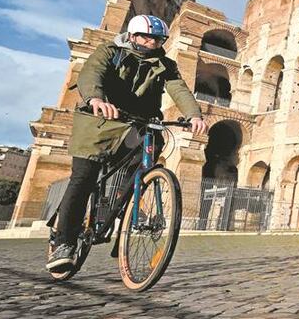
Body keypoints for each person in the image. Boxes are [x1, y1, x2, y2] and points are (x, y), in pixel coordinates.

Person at [46, 15, 207, 271]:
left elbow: (179, 89)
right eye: (146, 37)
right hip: (100, 122)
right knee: (83, 178)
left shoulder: (166, 64)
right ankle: (63, 242)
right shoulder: (110, 51)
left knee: (146, 159)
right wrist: (96, 99)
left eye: (157, 39)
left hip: (139, 123)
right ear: (132, 36)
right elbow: (92, 73)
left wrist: (194, 115)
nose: (151, 42)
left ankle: (125, 211)